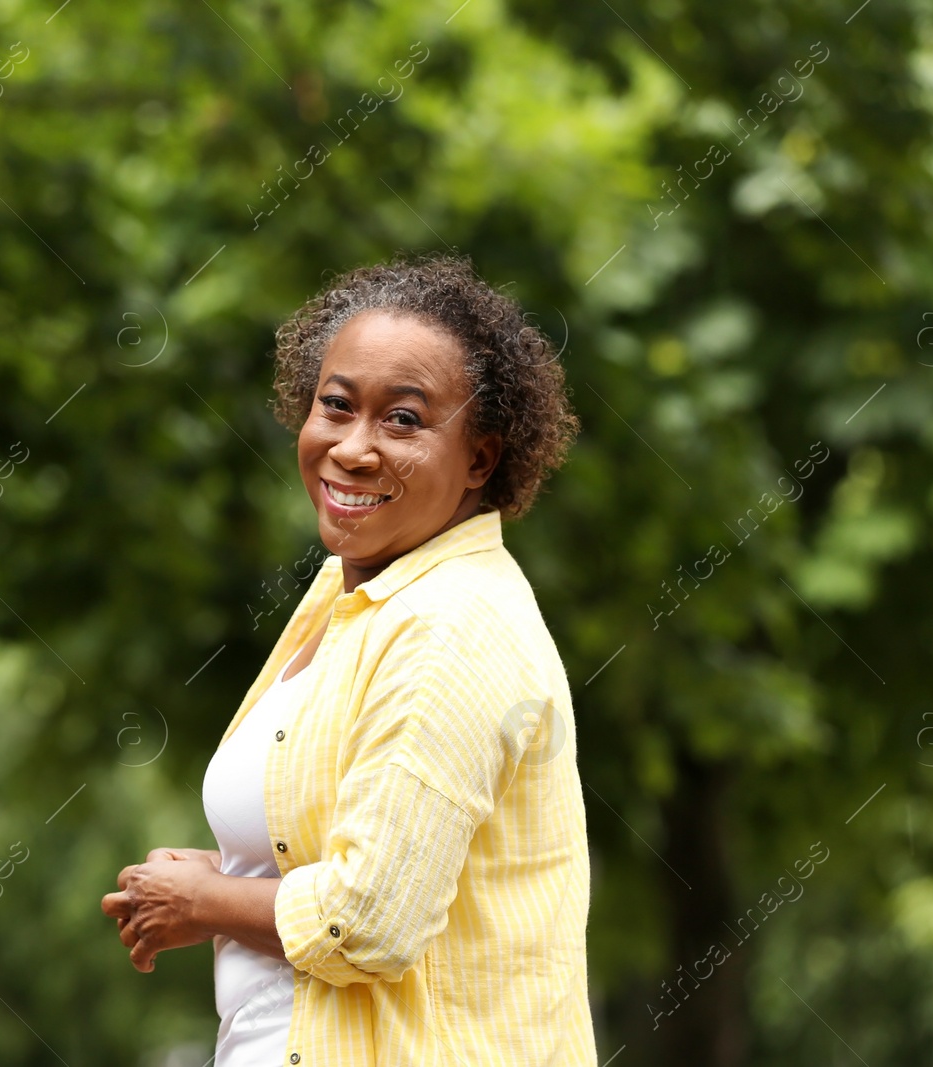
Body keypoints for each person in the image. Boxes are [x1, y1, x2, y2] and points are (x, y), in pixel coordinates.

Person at [101, 253, 597, 1065]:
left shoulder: (452, 626)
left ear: (479, 457)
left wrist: (207, 901)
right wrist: (233, 868)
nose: (353, 449)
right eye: (336, 406)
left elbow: (367, 922)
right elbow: (354, 847)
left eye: (403, 420)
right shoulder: (351, 591)